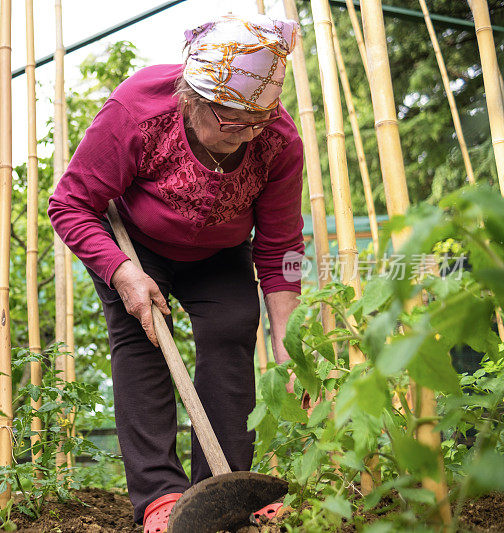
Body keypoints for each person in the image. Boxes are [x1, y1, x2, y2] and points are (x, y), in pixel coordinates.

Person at [48, 13, 304, 532]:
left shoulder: (276, 141)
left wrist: (289, 342)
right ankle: (160, 498)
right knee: (142, 341)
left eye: (257, 120)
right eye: (232, 121)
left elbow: (280, 248)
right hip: (135, 250)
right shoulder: (137, 111)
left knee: (232, 329)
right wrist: (122, 274)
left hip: (219, 251)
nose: (247, 134)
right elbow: (70, 204)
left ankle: (228, 488)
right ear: (193, 96)